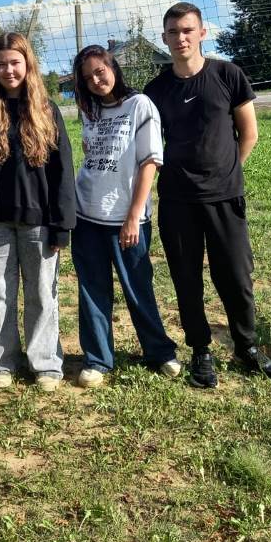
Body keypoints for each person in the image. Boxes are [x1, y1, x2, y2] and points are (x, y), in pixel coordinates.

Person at [144, 1, 271, 389]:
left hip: (224, 197)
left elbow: (249, 133)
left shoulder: (227, 74)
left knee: (236, 277)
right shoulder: (156, 90)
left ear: (202, 33)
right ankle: (201, 351)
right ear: (164, 38)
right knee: (186, 280)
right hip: (177, 200)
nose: (181, 38)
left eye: (188, 30)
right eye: (173, 32)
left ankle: (247, 348)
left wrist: (226, 173)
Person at [0, 32, 76, 392]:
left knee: (42, 294)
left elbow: (62, 172)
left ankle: (45, 364)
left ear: (28, 65)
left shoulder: (47, 111)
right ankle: (2, 363)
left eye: (15, 62)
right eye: (1, 64)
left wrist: (62, 224)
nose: (8, 70)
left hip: (39, 222)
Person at [71, 45, 180, 388]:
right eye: (88, 77)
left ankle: (160, 352)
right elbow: (91, 153)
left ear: (112, 67)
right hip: (86, 214)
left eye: (99, 71)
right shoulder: (88, 110)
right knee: (92, 289)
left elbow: (150, 162)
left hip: (126, 219)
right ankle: (97, 359)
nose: (96, 80)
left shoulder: (140, 105)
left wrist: (134, 215)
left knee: (138, 288)